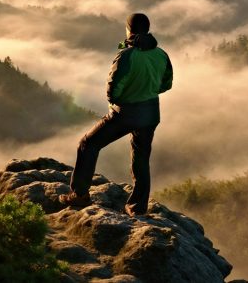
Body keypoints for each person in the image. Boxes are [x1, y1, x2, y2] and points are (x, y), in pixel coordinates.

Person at [58, 13, 173, 216]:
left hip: (126, 112)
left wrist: (117, 102)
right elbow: (166, 84)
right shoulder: (161, 54)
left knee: (88, 144)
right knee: (141, 158)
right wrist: (147, 90)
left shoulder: (126, 55)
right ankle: (137, 208)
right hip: (151, 112)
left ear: (129, 30)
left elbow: (113, 88)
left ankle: (79, 195)